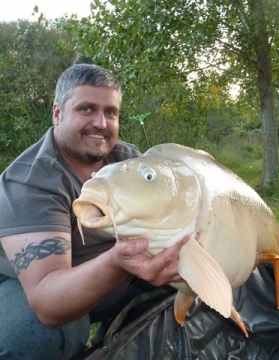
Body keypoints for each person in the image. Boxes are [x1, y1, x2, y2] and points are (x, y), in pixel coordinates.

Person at [0, 64, 186, 359]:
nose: (100, 122)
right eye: (86, 109)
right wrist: (117, 261)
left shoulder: (127, 159)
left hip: (121, 273)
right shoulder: (30, 182)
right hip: (37, 288)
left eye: (110, 112)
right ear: (58, 113)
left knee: (190, 281)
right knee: (33, 335)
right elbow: (48, 303)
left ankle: (111, 344)